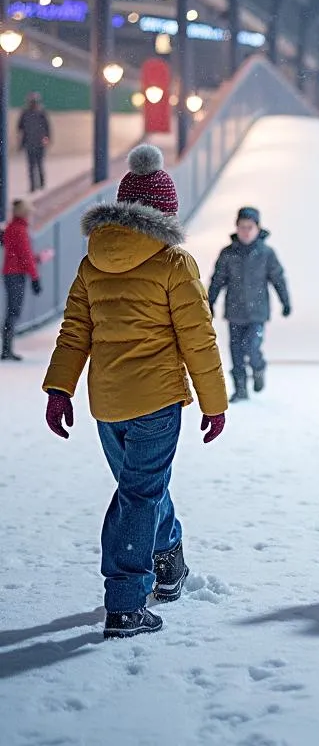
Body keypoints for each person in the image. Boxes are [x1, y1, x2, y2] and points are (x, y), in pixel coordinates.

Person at [42, 144, 229, 640]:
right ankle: (126, 602)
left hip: (106, 404)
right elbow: (199, 338)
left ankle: (168, 563)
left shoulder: (91, 262)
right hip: (157, 403)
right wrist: (214, 403)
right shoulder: (173, 263)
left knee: (141, 488)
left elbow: (74, 331)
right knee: (139, 494)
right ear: (166, 212)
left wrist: (60, 388)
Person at [208, 206, 291, 403]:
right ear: (236, 228)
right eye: (242, 227)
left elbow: (278, 278)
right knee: (236, 351)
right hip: (235, 311)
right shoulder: (228, 253)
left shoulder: (266, 253)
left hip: (257, 313)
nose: (246, 231)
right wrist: (210, 302)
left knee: (252, 346)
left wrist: (285, 301)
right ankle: (240, 389)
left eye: (250, 227)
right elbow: (217, 280)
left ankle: (259, 367)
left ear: (257, 228)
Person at [1, 199, 42, 361]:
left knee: (11, 310)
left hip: (9, 272)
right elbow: (24, 256)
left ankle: (6, 348)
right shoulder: (20, 230)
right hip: (16, 274)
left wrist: (36, 259)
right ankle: (6, 349)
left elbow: (20, 254)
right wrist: (35, 277)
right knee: (13, 311)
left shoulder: (11, 228)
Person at [17, 92, 51, 193]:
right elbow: (20, 128)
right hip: (30, 143)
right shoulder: (25, 113)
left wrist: (47, 139)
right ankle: (33, 187)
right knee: (32, 166)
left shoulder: (41, 113)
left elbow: (47, 128)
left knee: (39, 165)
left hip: (38, 143)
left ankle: (41, 185)